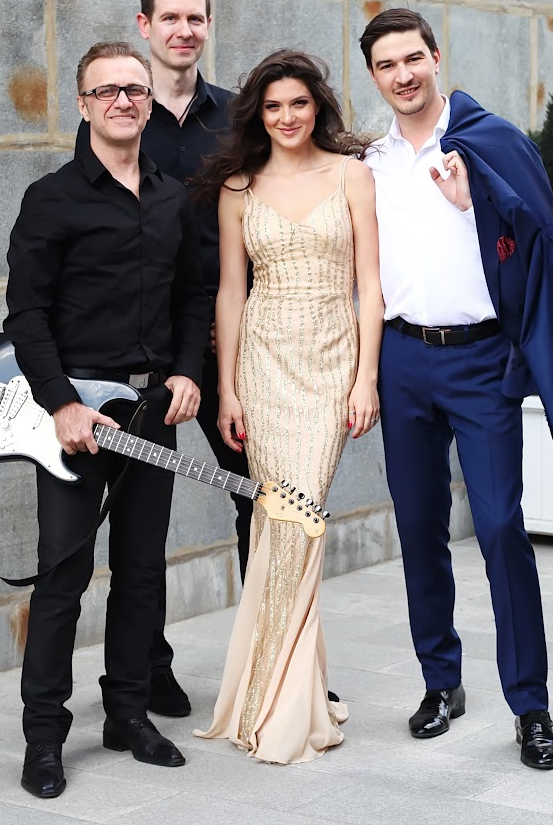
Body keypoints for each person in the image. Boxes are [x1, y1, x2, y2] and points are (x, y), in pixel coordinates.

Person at [359, 8, 553, 770]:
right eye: (387, 65)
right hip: (402, 358)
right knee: (419, 526)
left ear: (436, 56)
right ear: (374, 76)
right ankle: (440, 681)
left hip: (480, 360)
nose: (403, 75)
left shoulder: (491, 140)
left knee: (498, 527)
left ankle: (531, 705)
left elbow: (544, 241)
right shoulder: (373, 162)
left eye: (413, 58)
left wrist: (475, 205)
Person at [4, 41, 208, 798]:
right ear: (84, 104)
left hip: (152, 414)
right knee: (63, 577)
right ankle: (44, 738)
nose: (123, 101)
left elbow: (193, 297)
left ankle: (127, 713)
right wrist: (61, 405)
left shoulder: (173, 197)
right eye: (107, 91)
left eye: (135, 89)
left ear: (150, 101)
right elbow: (25, 315)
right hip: (76, 421)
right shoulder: (51, 199)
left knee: (142, 570)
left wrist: (187, 370)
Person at [192, 50, 384, 763]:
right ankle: (284, 695)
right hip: (263, 365)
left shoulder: (351, 175)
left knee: (301, 520)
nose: (286, 117)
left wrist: (366, 378)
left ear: (317, 106)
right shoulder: (239, 187)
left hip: (331, 362)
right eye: (273, 107)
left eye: (298, 103)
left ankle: (273, 693)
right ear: (258, 114)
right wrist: (228, 388)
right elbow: (230, 291)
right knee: (278, 524)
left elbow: (371, 285)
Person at [131, 0, 253, 719]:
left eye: (196, 18)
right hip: (148, 354)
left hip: (228, 347)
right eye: (170, 18)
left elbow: (264, 220)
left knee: (259, 501)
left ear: (208, 25)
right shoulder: (119, 109)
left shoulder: (239, 116)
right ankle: (149, 669)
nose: (184, 30)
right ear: (145, 26)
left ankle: (270, 663)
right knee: (145, 516)